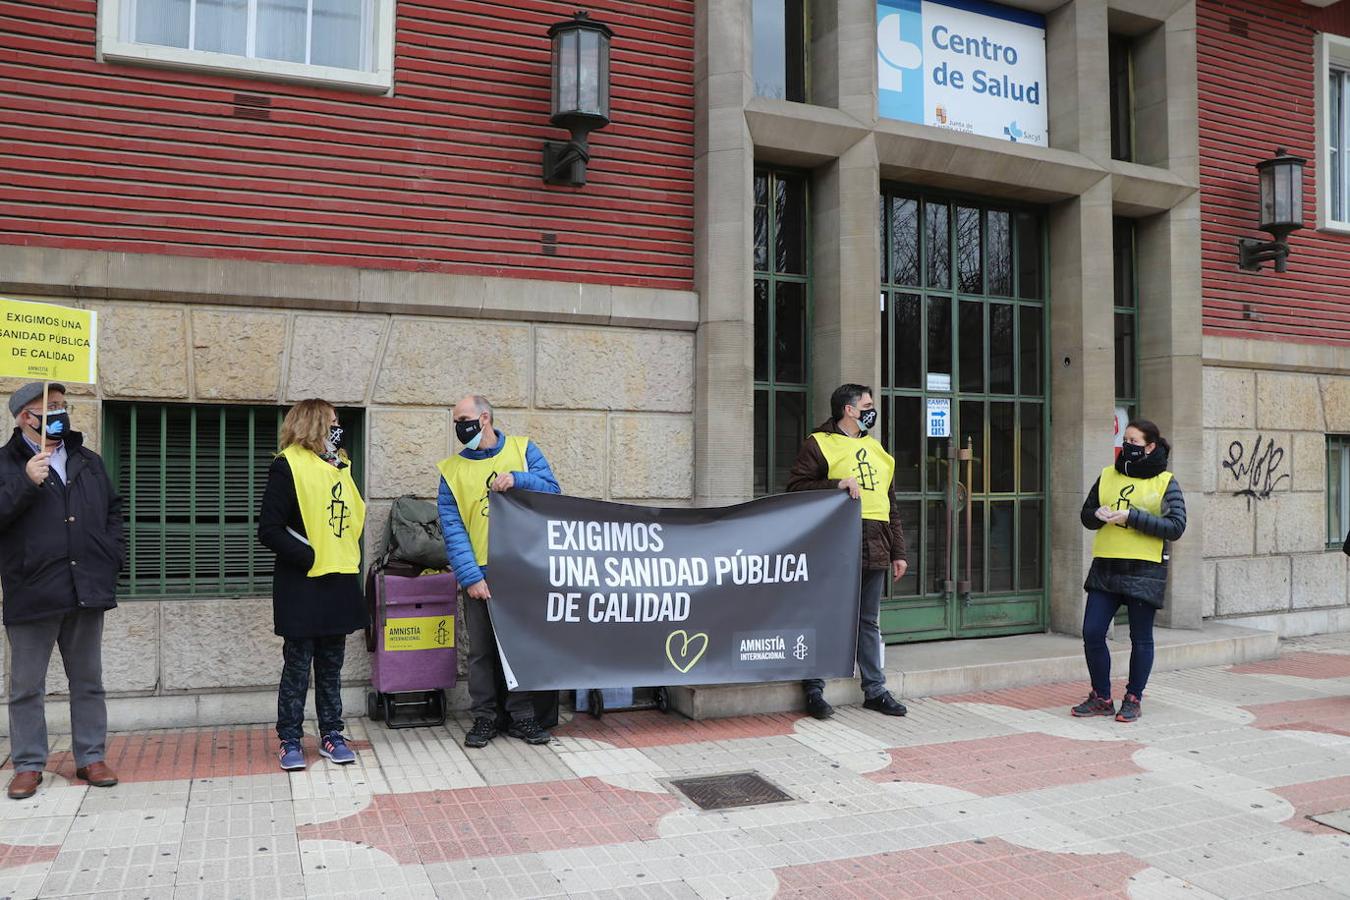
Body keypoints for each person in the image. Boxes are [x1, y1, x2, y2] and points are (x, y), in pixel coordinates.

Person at [0, 382, 123, 799]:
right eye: (48, 408)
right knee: (26, 685)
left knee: (88, 680)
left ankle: (91, 756)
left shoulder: (87, 460)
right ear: (23, 418)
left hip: (85, 586)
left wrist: (110, 558)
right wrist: (24, 481)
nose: (58, 413)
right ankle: (29, 764)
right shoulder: (7, 463)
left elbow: (112, 511)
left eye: (61, 405)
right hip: (33, 590)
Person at [438, 395, 561, 749]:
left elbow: (553, 491)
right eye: (456, 421)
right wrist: (470, 576)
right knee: (481, 651)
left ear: (484, 417)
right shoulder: (452, 470)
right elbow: (453, 526)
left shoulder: (524, 450)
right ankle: (485, 717)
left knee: (519, 647)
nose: (459, 427)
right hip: (480, 571)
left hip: (523, 569)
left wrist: (519, 479)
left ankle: (522, 716)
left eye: (463, 418)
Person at [787, 383, 909, 720]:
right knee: (825, 618)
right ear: (849, 410)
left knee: (868, 621)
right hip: (835, 547)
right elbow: (795, 489)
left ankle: (875, 689)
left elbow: (891, 505)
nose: (873, 410)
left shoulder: (879, 451)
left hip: (877, 546)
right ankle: (813, 687)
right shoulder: (819, 444)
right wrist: (834, 484)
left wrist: (899, 551)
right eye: (867, 405)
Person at [258, 399, 367, 770]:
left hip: (337, 579)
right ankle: (289, 738)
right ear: (314, 424)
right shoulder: (286, 465)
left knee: (332, 665)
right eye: (332, 422)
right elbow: (269, 529)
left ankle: (332, 734)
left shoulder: (340, 466)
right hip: (302, 583)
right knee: (298, 665)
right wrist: (309, 556)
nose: (338, 429)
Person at [1073, 419, 1187, 724]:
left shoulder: (1165, 481)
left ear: (1150, 446)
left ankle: (1134, 697)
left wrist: (1132, 517)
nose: (1127, 446)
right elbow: (1087, 515)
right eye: (1125, 439)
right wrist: (1096, 515)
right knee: (1092, 632)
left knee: (1141, 637)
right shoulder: (1108, 475)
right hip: (1107, 564)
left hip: (1144, 567)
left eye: (1134, 441)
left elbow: (1176, 526)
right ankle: (1101, 697)